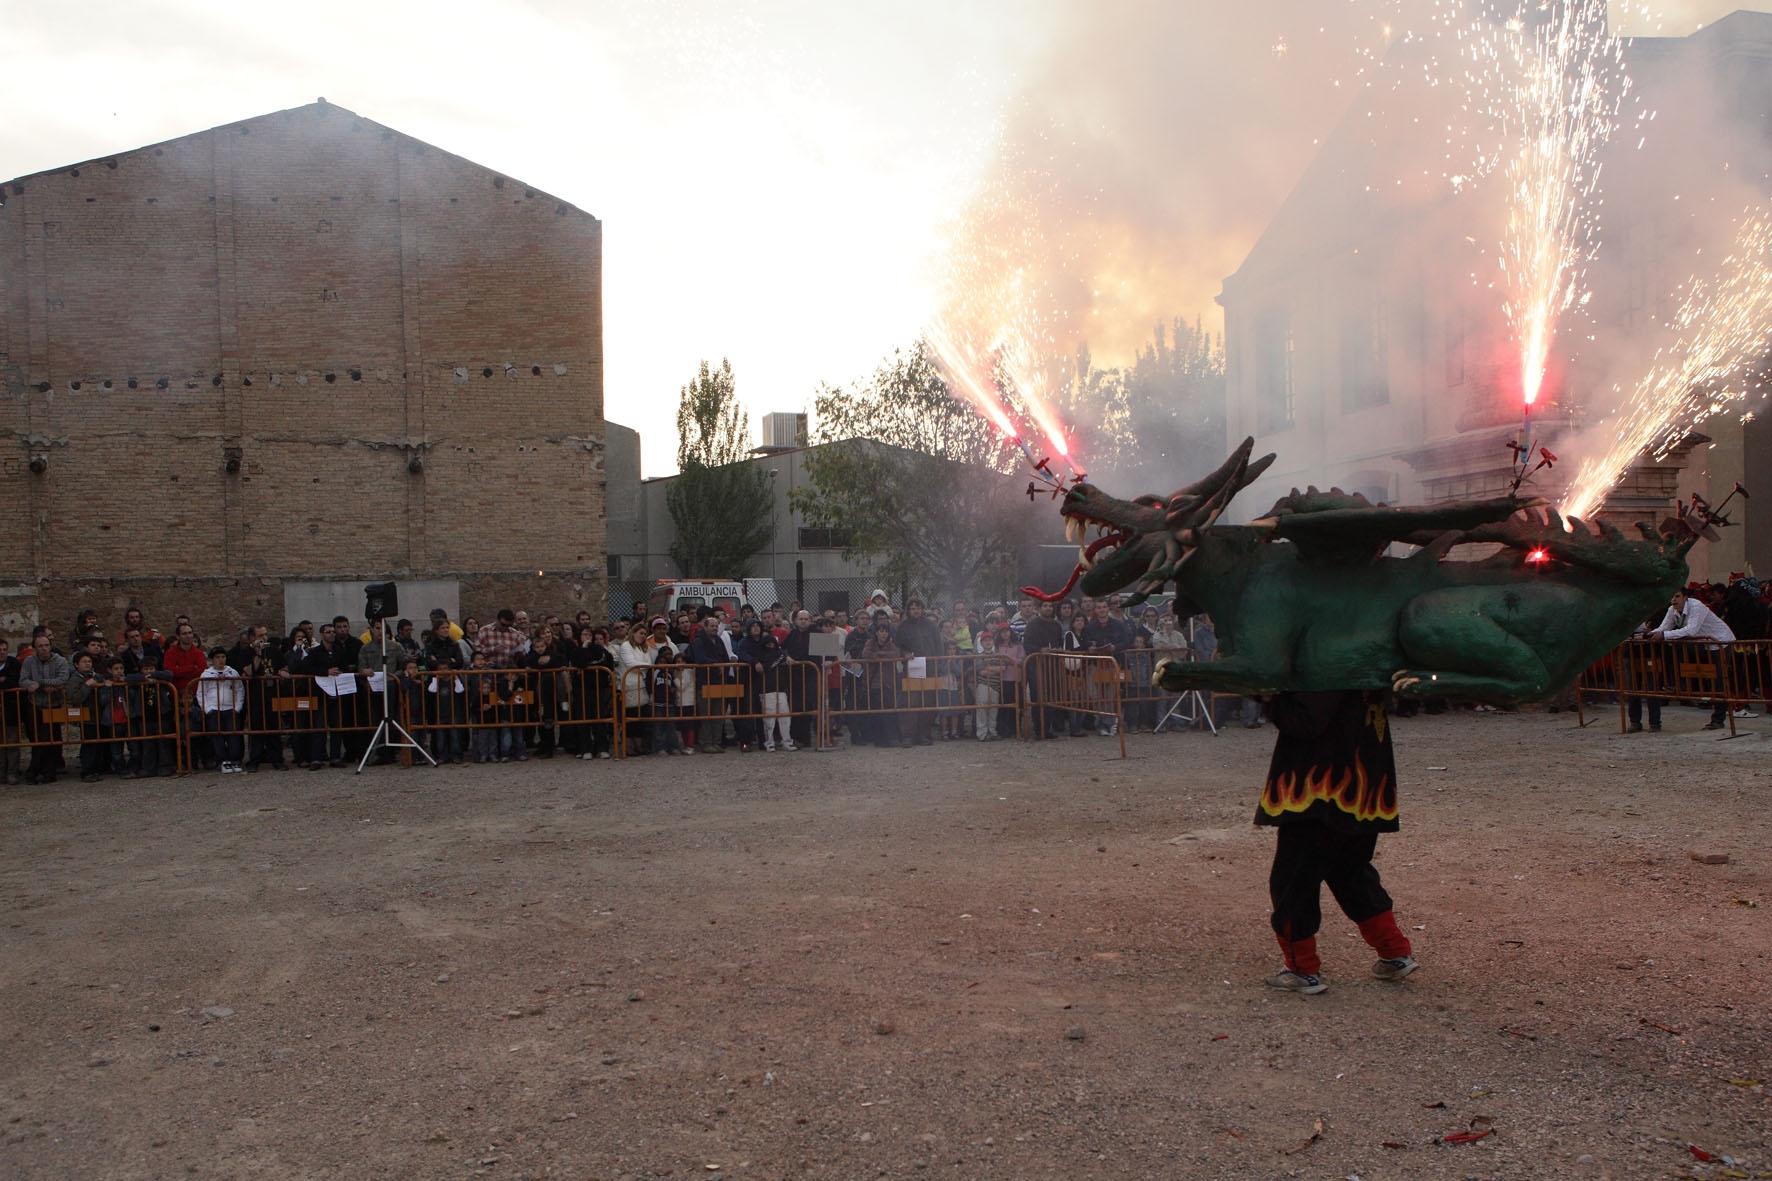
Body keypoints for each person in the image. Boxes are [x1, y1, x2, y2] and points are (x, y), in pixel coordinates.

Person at [1259, 690, 1416, 994]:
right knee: (1350, 871)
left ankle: (1301, 969)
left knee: (1293, 879)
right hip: (1364, 784)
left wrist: (1269, 698)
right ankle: (1394, 951)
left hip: (1321, 788)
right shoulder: (1369, 649)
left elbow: (1307, 721)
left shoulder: (1328, 655)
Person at [1647, 587, 1746, 730]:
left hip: (1720, 642)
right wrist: (1649, 635)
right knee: (1706, 678)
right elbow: (1664, 627)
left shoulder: (1696, 606)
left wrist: (1664, 636)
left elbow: (1691, 630)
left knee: (1720, 681)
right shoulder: (1672, 610)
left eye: (1677, 596)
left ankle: (1718, 719)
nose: (1673, 600)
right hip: (1704, 645)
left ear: (1685, 597)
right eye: (1672, 597)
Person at [20, 633, 71, 783]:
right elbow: (23, 679)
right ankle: (40, 770)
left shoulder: (60, 661)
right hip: (35, 703)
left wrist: (39, 683)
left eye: (46, 645)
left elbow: (63, 678)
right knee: (37, 738)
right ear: (35, 648)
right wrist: (31, 685)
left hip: (54, 704)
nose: (44, 649)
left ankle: (46, 770)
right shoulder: (29, 661)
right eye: (40, 646)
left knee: (52, 738)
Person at [196, 647, 247, 774]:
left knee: (233, 735)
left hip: (230, 708)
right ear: (212, 660)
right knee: (217, 736)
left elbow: (239, 690)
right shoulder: (206, 674)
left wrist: (237, 707)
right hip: (214, 709)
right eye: (217, 657)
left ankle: (234, 759)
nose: (220, 660)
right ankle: (222, 760)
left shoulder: (232, 672)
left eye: (223, 657)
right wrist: (207, 709)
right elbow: (201, 693)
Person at [0, 636, 21, 785]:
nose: (2, 652)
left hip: (11, 709)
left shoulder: (14, 663)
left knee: (12, 742)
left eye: (4, 650)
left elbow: (14, 681)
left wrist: (5, 681)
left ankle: (12, 772)